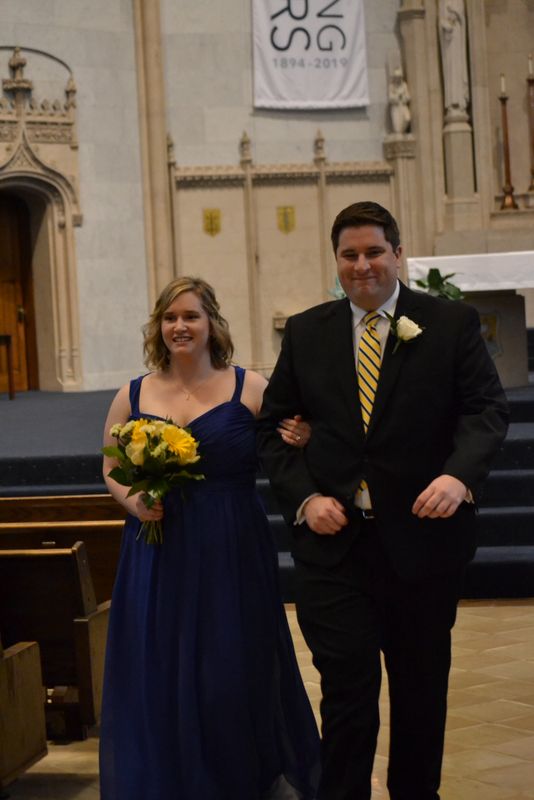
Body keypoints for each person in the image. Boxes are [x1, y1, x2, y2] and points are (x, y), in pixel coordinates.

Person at [257, 201, 509, 800]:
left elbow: (486, 410)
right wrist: (306, 498)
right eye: (349, 254)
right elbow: (272, 430)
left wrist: (458, 477)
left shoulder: (449, 323)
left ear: (398, 253)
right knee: (347, 694)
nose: (362, 265)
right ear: (336, 261)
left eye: (374, 252)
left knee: (420, 692)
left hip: (422, 542)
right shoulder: (307, 331)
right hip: (334, 547)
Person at [99, 277, 320, 800]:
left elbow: (289, 445)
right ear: (158, 327)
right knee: (161, 662)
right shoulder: (133, 393)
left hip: (230, 544)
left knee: (229, 662)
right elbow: (110, 466)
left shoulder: (251, 388)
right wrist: (134, 502)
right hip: (158, 547)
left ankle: (236, 776)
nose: (180, 326)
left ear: (212, 324)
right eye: (170, 318)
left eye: (190, 316)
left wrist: (304, 436)